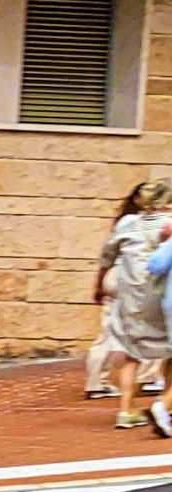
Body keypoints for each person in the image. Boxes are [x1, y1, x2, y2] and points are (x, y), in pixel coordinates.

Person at [95, 180, 172, 433]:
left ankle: (126, 409)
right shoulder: (168, 226)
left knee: (131, 352)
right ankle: (166, 407)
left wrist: (98, 284)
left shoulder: (128, 223)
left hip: (131, 296)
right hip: (162, 295)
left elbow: (107, 255)